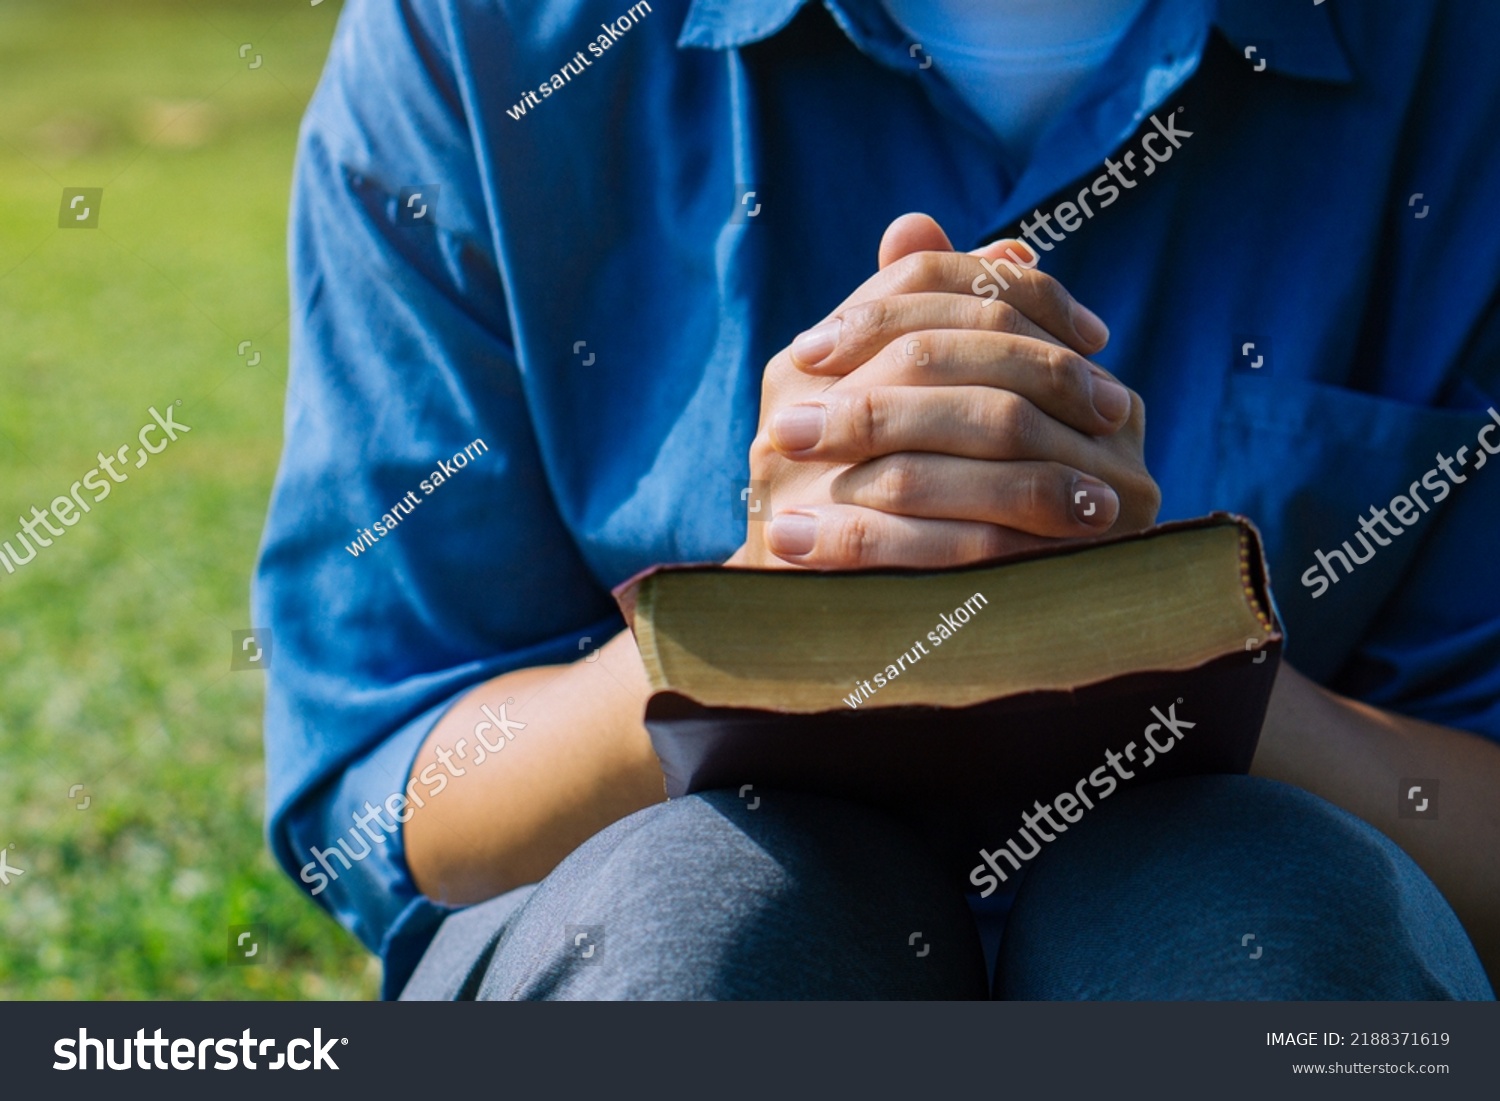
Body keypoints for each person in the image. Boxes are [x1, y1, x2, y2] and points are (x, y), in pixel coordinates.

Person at [255, 0, 1500, 999]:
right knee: (692, 911)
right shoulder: (480, 35)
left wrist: (1158, 653)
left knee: (1263, 908)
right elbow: (390, 786)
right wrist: (770, 613)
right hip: (657, 941)